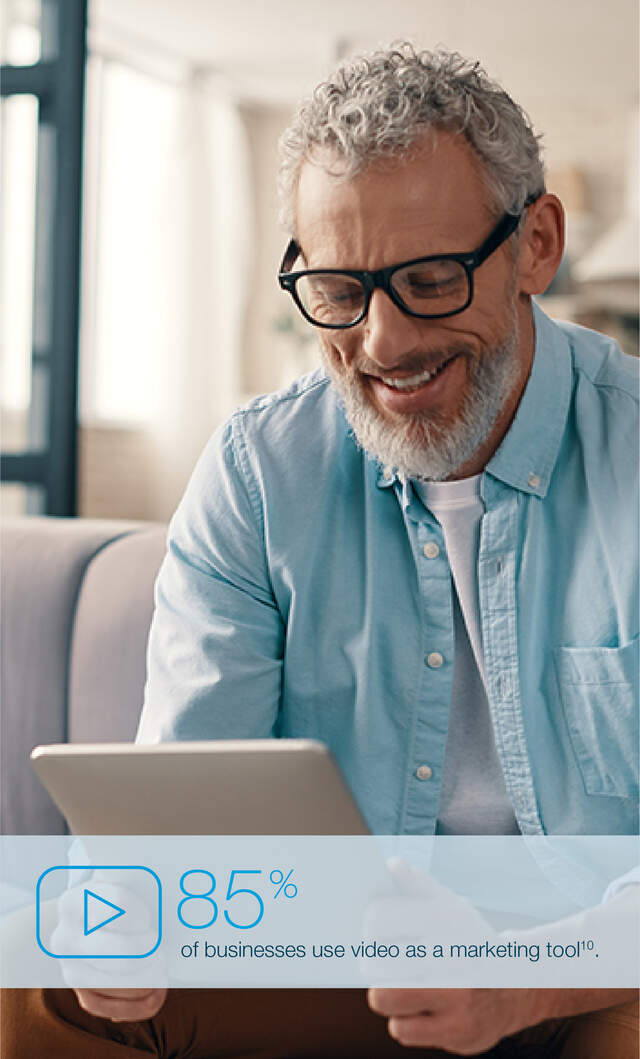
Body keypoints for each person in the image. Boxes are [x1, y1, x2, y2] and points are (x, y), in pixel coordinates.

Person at [4, 42, 637, 1059]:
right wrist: (118, 908)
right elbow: (179, 794)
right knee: (27, 987)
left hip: (590, 964)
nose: (383, 343)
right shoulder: (261, 470)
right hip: (341, 959)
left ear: (535, 245)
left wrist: (517, 985)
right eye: (339, 292)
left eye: (429, 279)